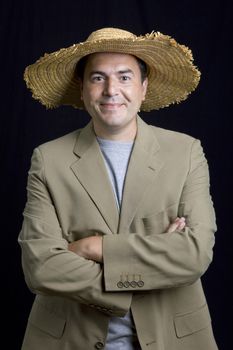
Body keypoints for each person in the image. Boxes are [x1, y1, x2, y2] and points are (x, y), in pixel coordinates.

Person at [18, 27, 218, 350]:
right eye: (98, 78)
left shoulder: (186, 153)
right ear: (82, 90)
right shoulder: (48, 159)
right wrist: (152, 264)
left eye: (125, 77)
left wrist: (92, 247)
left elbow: (195, 253)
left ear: (143, 87)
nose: (112, 89)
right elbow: (40, 267)